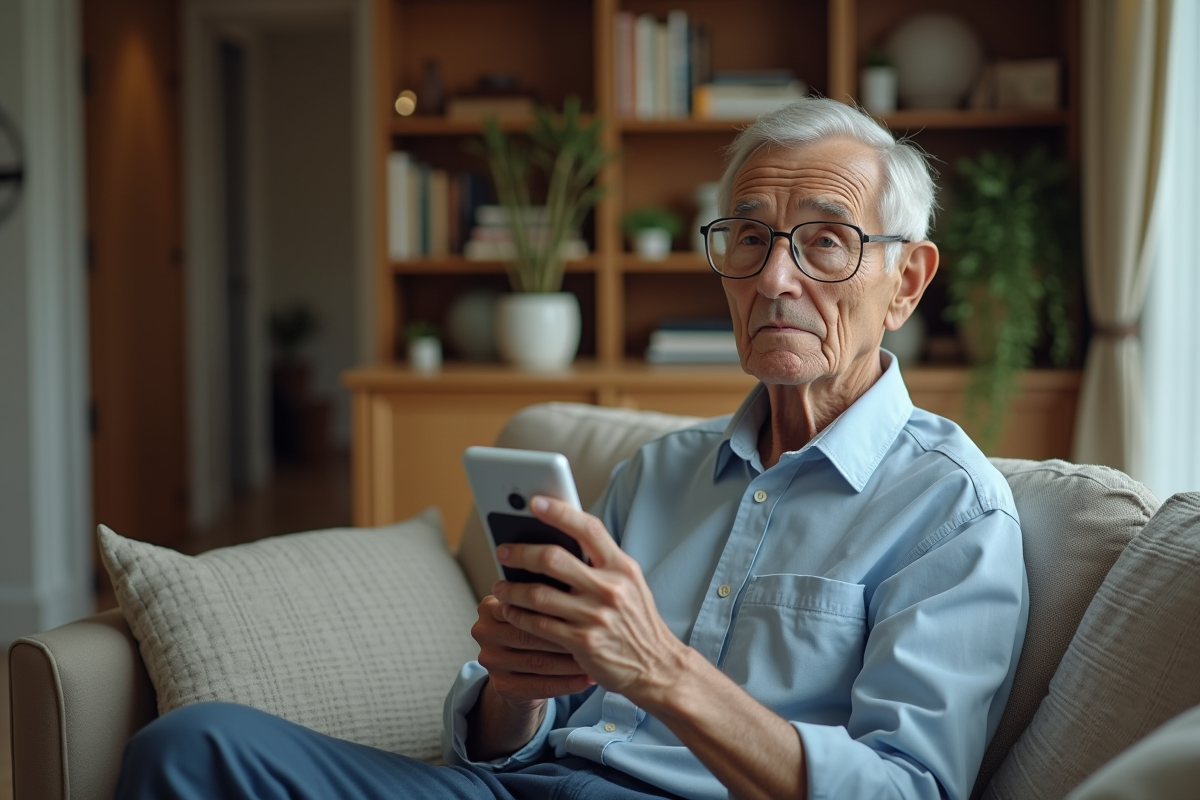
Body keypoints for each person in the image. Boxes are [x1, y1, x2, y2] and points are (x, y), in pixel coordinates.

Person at [115, 97, 1027, 800]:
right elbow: (504, 735)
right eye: (748, 240)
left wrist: (662, 672)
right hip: (522, 786)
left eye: (825, 243)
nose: (774, 278)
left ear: (906, 280)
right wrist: (514, 688)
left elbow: (909, 789)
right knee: (190, 747)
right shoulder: (659, 472)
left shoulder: (951, 511)